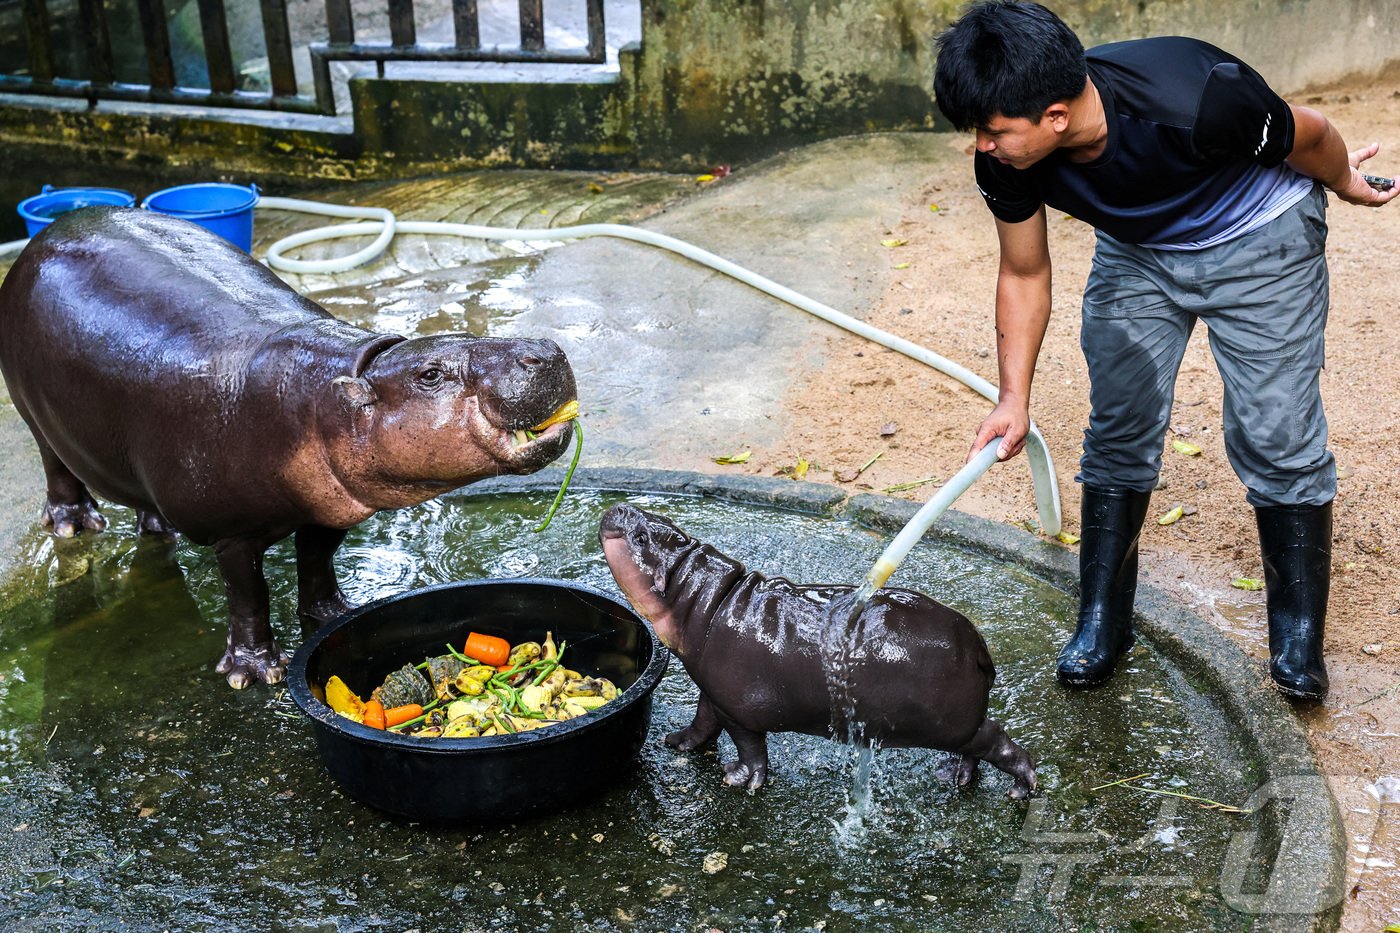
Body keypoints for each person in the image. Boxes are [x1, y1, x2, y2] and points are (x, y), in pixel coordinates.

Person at [932, 0, 1397, 701]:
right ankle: (1103, 621)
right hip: (1140, 252)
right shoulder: (1007, 160)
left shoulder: (1199, 100)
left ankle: (1297, 636)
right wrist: (1013, 397)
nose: (982, 146)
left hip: (1259, 235)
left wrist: (1347, 184)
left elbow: (1313, 133)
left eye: (994, 131)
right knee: (1118, 424)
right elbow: (1023, 271)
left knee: (1274, 432)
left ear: (1056, 117)